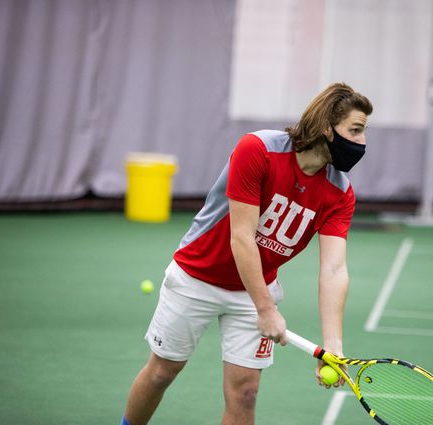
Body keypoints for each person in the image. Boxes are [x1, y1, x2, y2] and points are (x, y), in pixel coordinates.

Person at [121, 82, 373, 425]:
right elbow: (241, 237)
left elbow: (333, 269)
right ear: (327, 127)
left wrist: (333, 346)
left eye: (364, 133)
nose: (361, 143)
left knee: (246, 393)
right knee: (162, 373)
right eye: (355, 131)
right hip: (197, 276)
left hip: (253, 289)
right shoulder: (258, 150)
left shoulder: (340, 193)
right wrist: (266, 309)